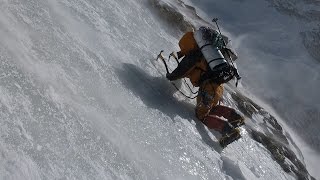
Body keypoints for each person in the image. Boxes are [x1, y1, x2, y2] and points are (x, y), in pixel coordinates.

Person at [166, 26, 244, 146]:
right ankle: (235, 117)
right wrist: (180, 54)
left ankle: (229, 131)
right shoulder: (206, 53)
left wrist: (170, 76)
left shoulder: (193, 57)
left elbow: (180, 72)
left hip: (208, 89)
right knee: (210, 108)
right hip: (217, 87)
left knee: (202, 115)